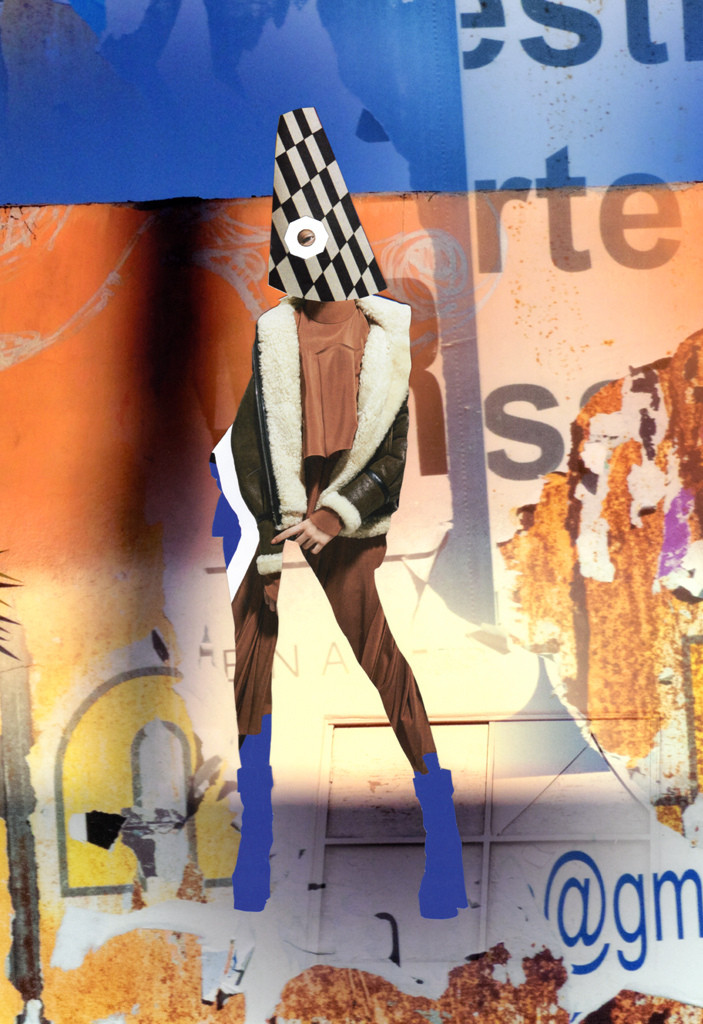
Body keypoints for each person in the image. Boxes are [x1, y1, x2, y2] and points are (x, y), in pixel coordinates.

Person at [225, 107, 466, 918]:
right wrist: (265, 527)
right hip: (277, 502)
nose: (312, 262)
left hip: (344, 506)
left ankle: (439, 826)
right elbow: (256, 435)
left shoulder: (385, 342)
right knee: (253, 641)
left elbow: (387, 458)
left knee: (376, 649)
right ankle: (256, 835)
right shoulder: (274, 337)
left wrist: (331, 517)